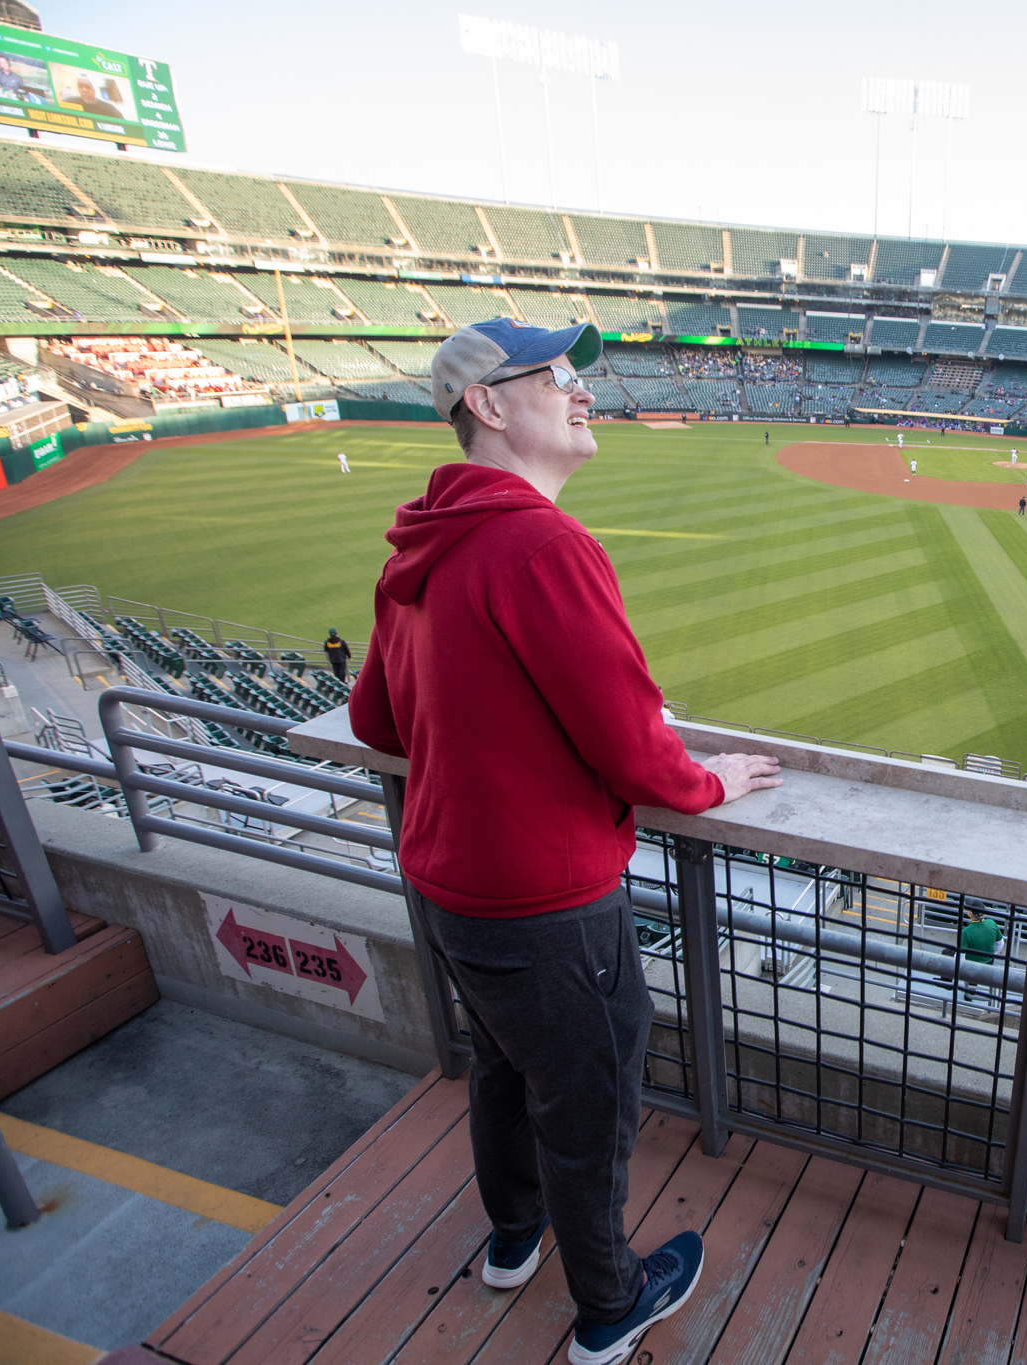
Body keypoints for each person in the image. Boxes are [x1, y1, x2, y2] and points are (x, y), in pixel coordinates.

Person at [348, 318, 783, 1365]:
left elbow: (376, 723)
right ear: (489, 406)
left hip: (450, 884)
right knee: (588, 1101)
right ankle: (607, 1308)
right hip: (544, 901)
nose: (582, 389)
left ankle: (510, 1241)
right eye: (556, 375)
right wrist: (709, 779)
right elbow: (636, 752)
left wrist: (500, 726)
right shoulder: (542, 543)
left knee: (502, 1069)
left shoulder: (425, 538)